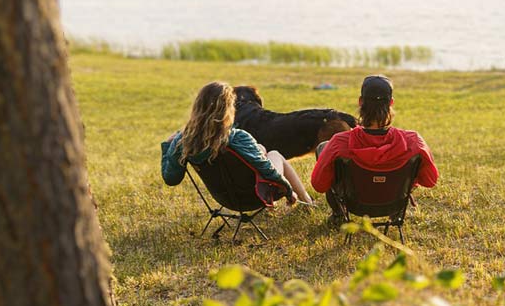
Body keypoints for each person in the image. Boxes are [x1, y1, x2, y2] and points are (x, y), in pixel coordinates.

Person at [161, 81, 314, 208]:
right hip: (256, 198)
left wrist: (167, 147)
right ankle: (306, 201)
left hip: (225, 200)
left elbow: (171, 179)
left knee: (260, 149)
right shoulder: (237, 137)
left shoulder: (183, 142)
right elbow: (267, 170)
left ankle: (305, 200)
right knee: (274, 154)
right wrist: (288, 190)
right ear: (228, 108)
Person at [311, 75, 439, 220]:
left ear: (360, 102)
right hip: (393, 203)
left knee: (324, 147)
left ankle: (339, 214)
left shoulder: (339, 142)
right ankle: (395, 214)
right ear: (391, 102)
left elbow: (319, 185)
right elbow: (430, 181)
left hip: (354, 204)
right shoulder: (413, 141)